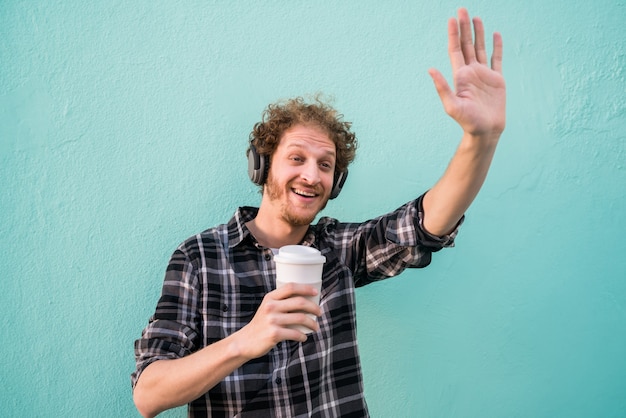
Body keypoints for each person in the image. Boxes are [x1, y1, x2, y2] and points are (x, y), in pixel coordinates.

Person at [131, 7, 505, 418]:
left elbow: (424, 224)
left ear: (336, 182)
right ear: (262, 165)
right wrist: (248, 339)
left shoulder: (339, 249)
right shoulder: (199, 257)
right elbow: (148, 394)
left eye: (325, 165)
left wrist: (480, 139)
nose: (311, 175)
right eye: (296, 158)